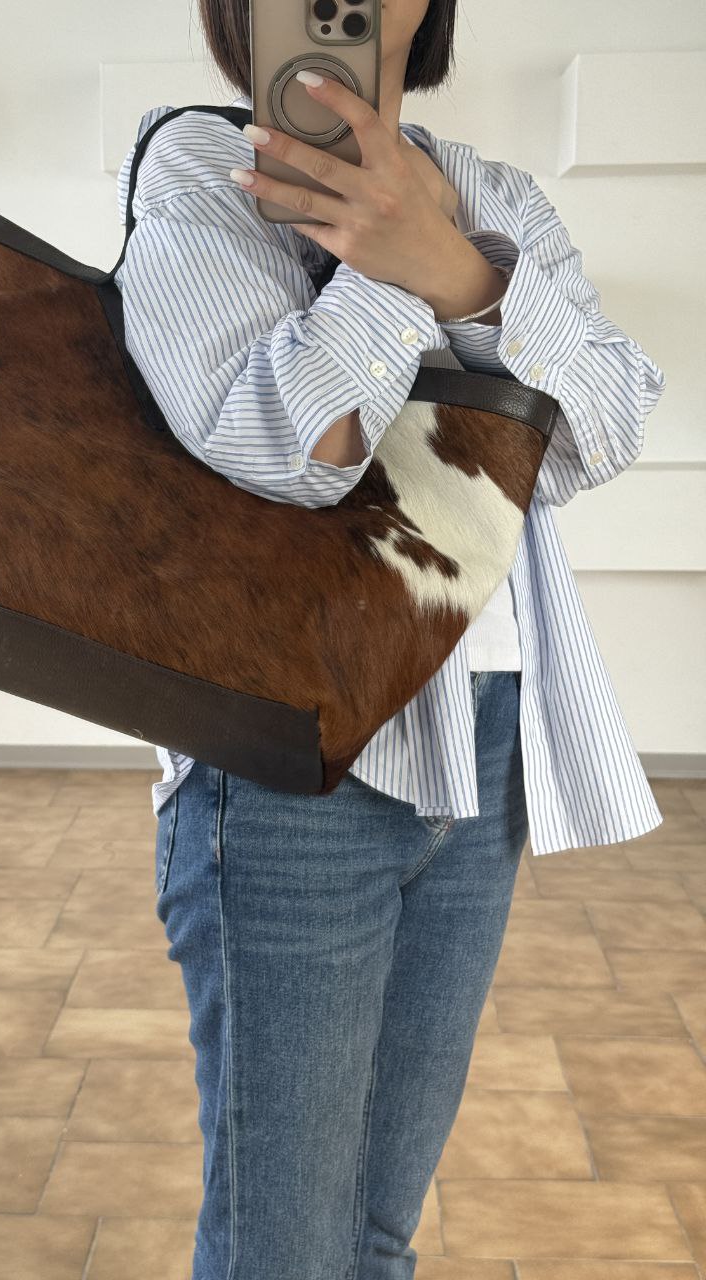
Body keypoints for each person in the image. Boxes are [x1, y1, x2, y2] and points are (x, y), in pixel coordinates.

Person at [113, 2, 667, 1276]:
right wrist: (385, 261)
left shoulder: (491, 196)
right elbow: (287, 444)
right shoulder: (199, 178)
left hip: (486, 734)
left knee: (377, 1228)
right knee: (285, 1245)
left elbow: (607, 424)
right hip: (289, 758)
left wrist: (460, 267)